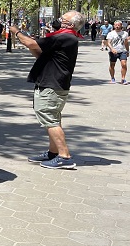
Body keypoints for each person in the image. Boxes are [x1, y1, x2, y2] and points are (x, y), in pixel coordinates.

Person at [11, 10, 83, 169]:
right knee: (52, 118)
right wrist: (30, 42)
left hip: (53, 84)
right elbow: (39, 52)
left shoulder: (65, 37)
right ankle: (53, 152)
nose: (58, 20)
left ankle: (64, 156)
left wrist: (17, 32)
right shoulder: (63, 38)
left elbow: (30, 43)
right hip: (50, 82)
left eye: (62, 19)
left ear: (69, 24)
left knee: (49, 118)